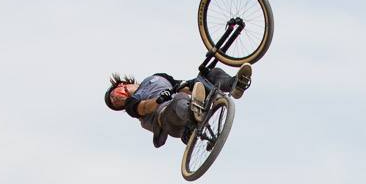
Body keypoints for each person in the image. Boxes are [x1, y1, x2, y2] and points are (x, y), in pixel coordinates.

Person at [103, 62, 253, 148]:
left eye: (114, 96)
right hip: (169, 117)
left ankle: (234, 84)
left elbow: (181, 87)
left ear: (122, 84)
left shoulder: (156, 78)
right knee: (178, 100)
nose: (117, 100)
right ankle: (193, 113)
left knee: (211, 74)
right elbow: (142, 108)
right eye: (116, 104)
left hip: (183, 99)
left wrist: (195, 84)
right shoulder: (131, 104)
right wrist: (159, 100)